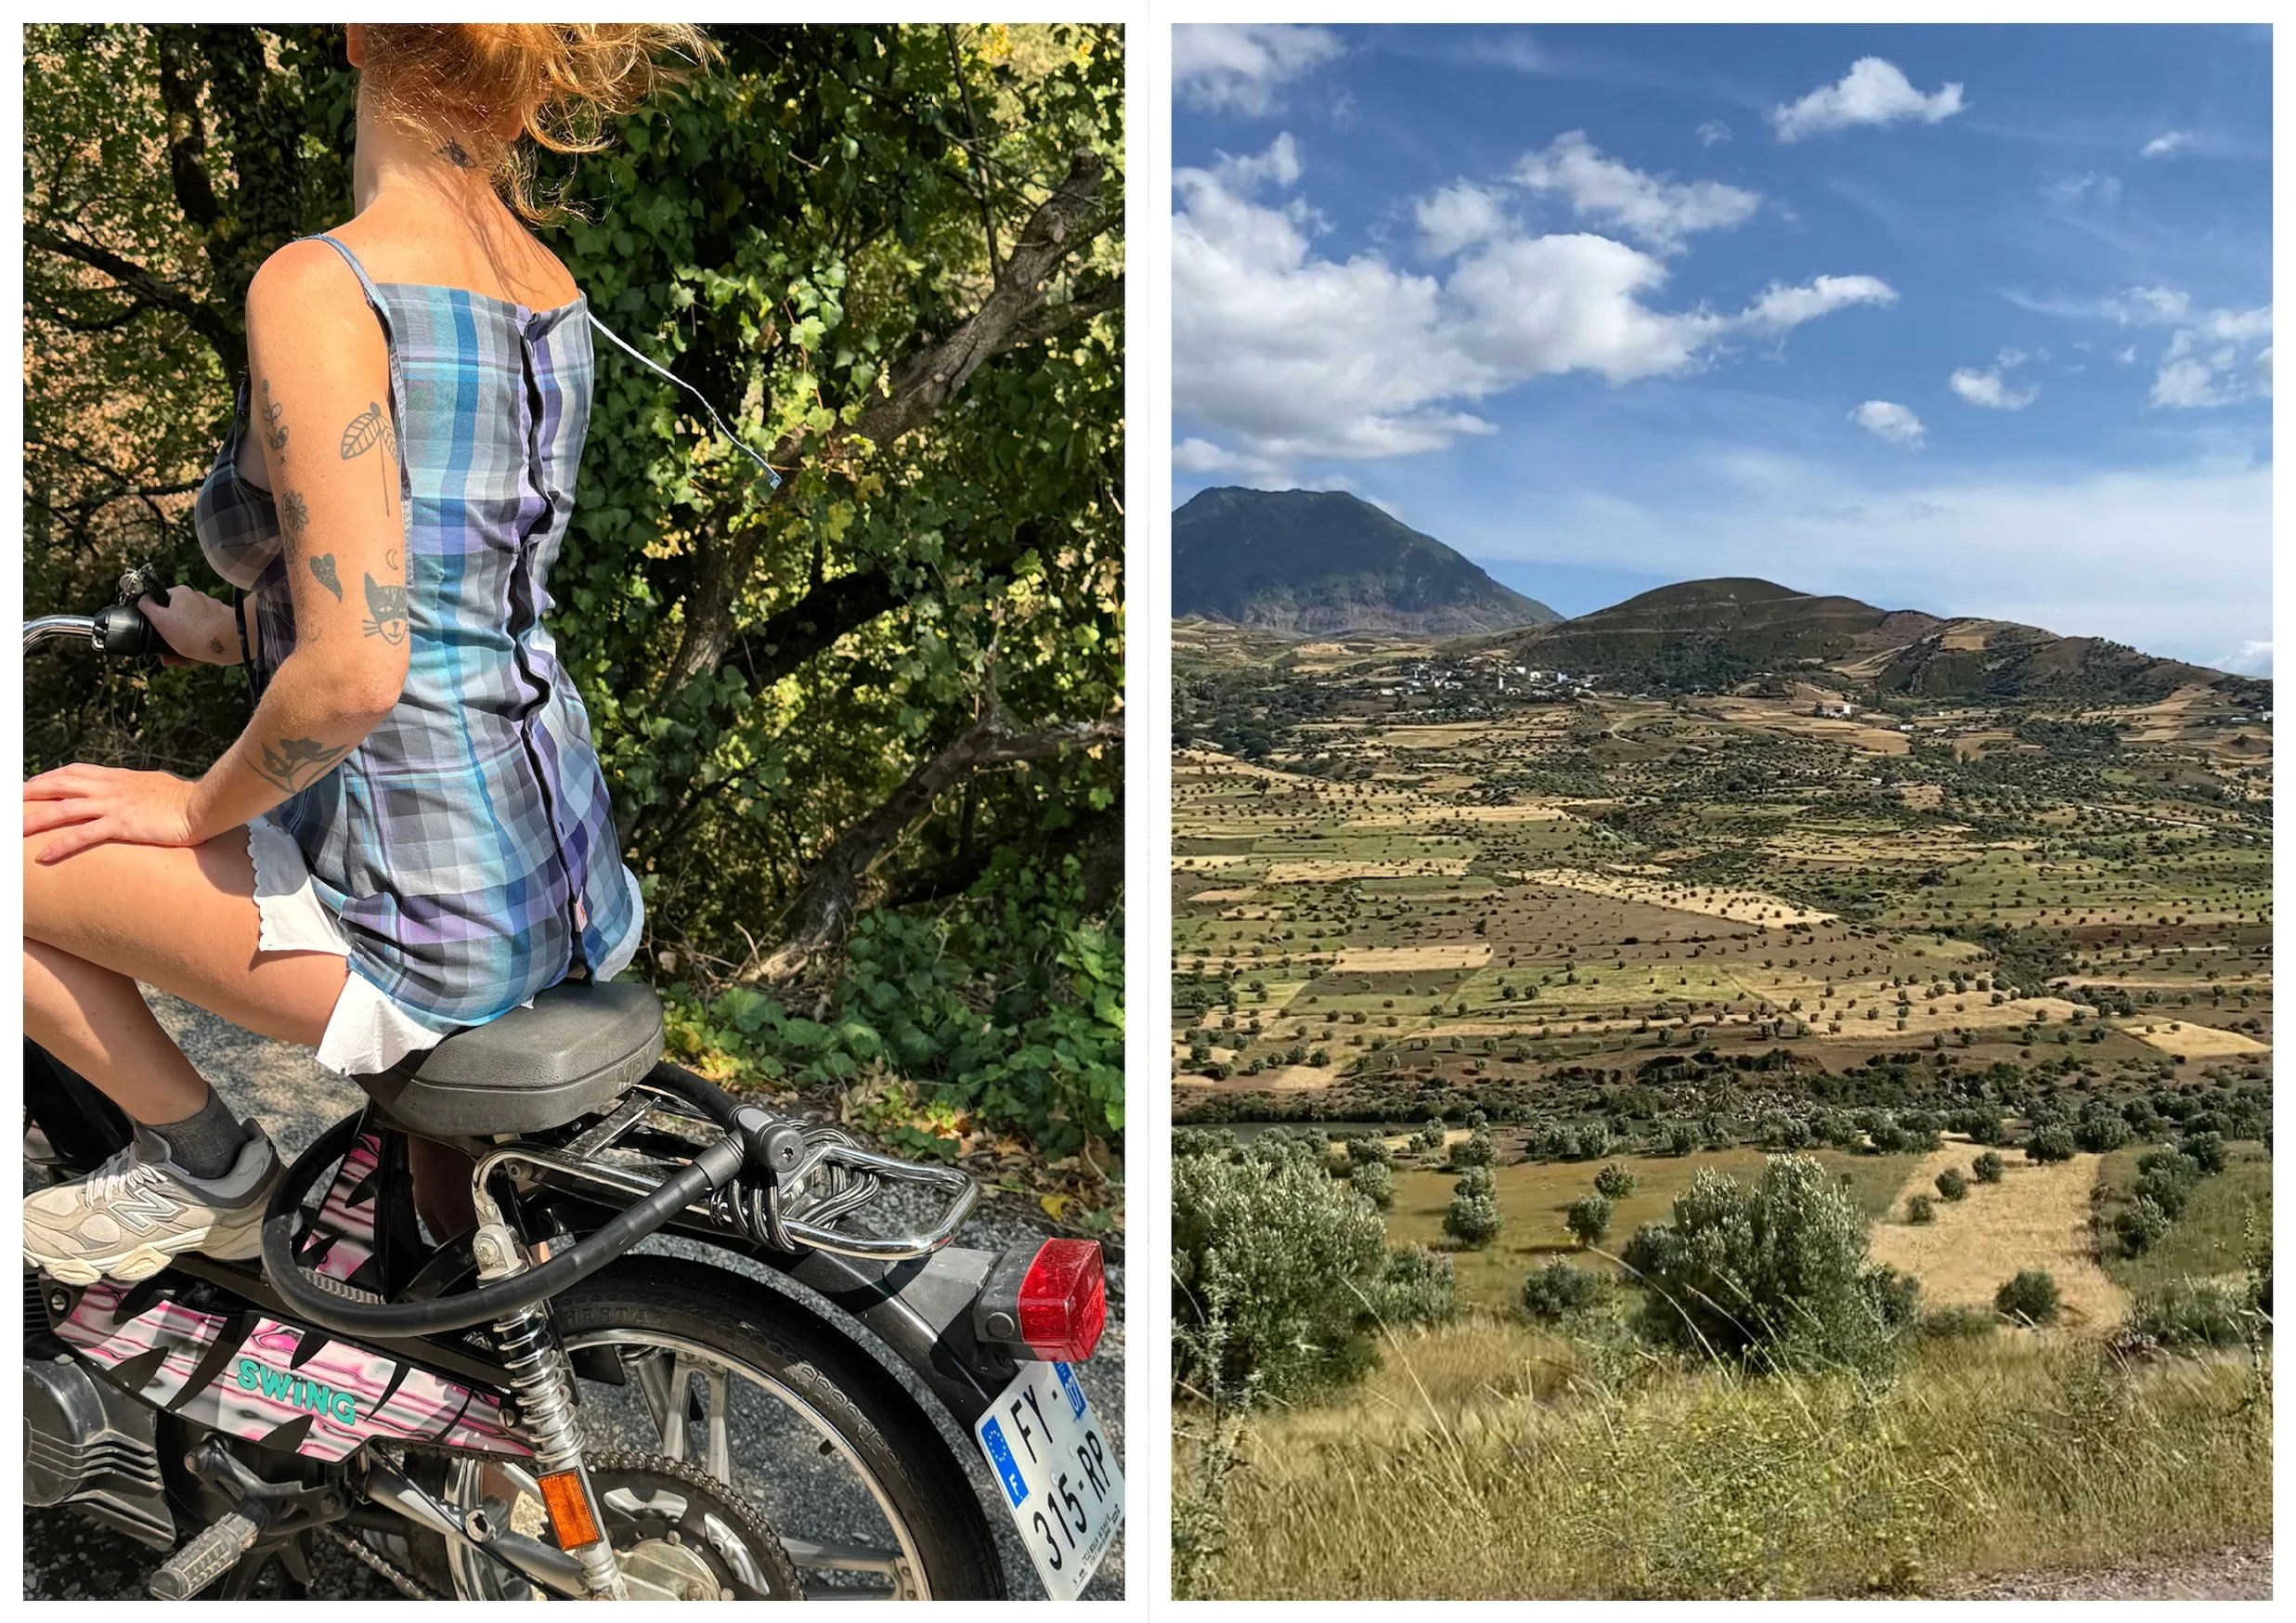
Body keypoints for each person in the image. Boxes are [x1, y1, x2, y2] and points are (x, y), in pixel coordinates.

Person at [22, 23, 714, 1284]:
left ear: (356, 36)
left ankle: (207, 1167)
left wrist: (191, 807)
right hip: (559, 882)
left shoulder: (325, 285)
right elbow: (451, 594)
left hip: (426, 914)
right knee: (444, 1249)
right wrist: (233, 633)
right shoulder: (547, 284)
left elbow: (357, 671)